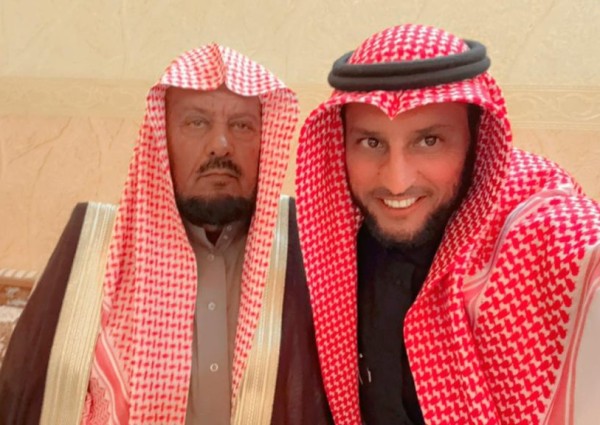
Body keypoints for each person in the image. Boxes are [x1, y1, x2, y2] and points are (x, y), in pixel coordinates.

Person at [0, 44, 332, 425]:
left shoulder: (304, 249)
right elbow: (24, 401)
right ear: (162, 139)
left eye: (242, 125)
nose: (221, 145)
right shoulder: (94, 248)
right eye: (197, 122)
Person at [295, 24, 600, 424]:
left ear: (476, 140)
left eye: (429, 141)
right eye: (371, 143)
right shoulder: (335, 243)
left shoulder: (531, 225)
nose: (397, 181)